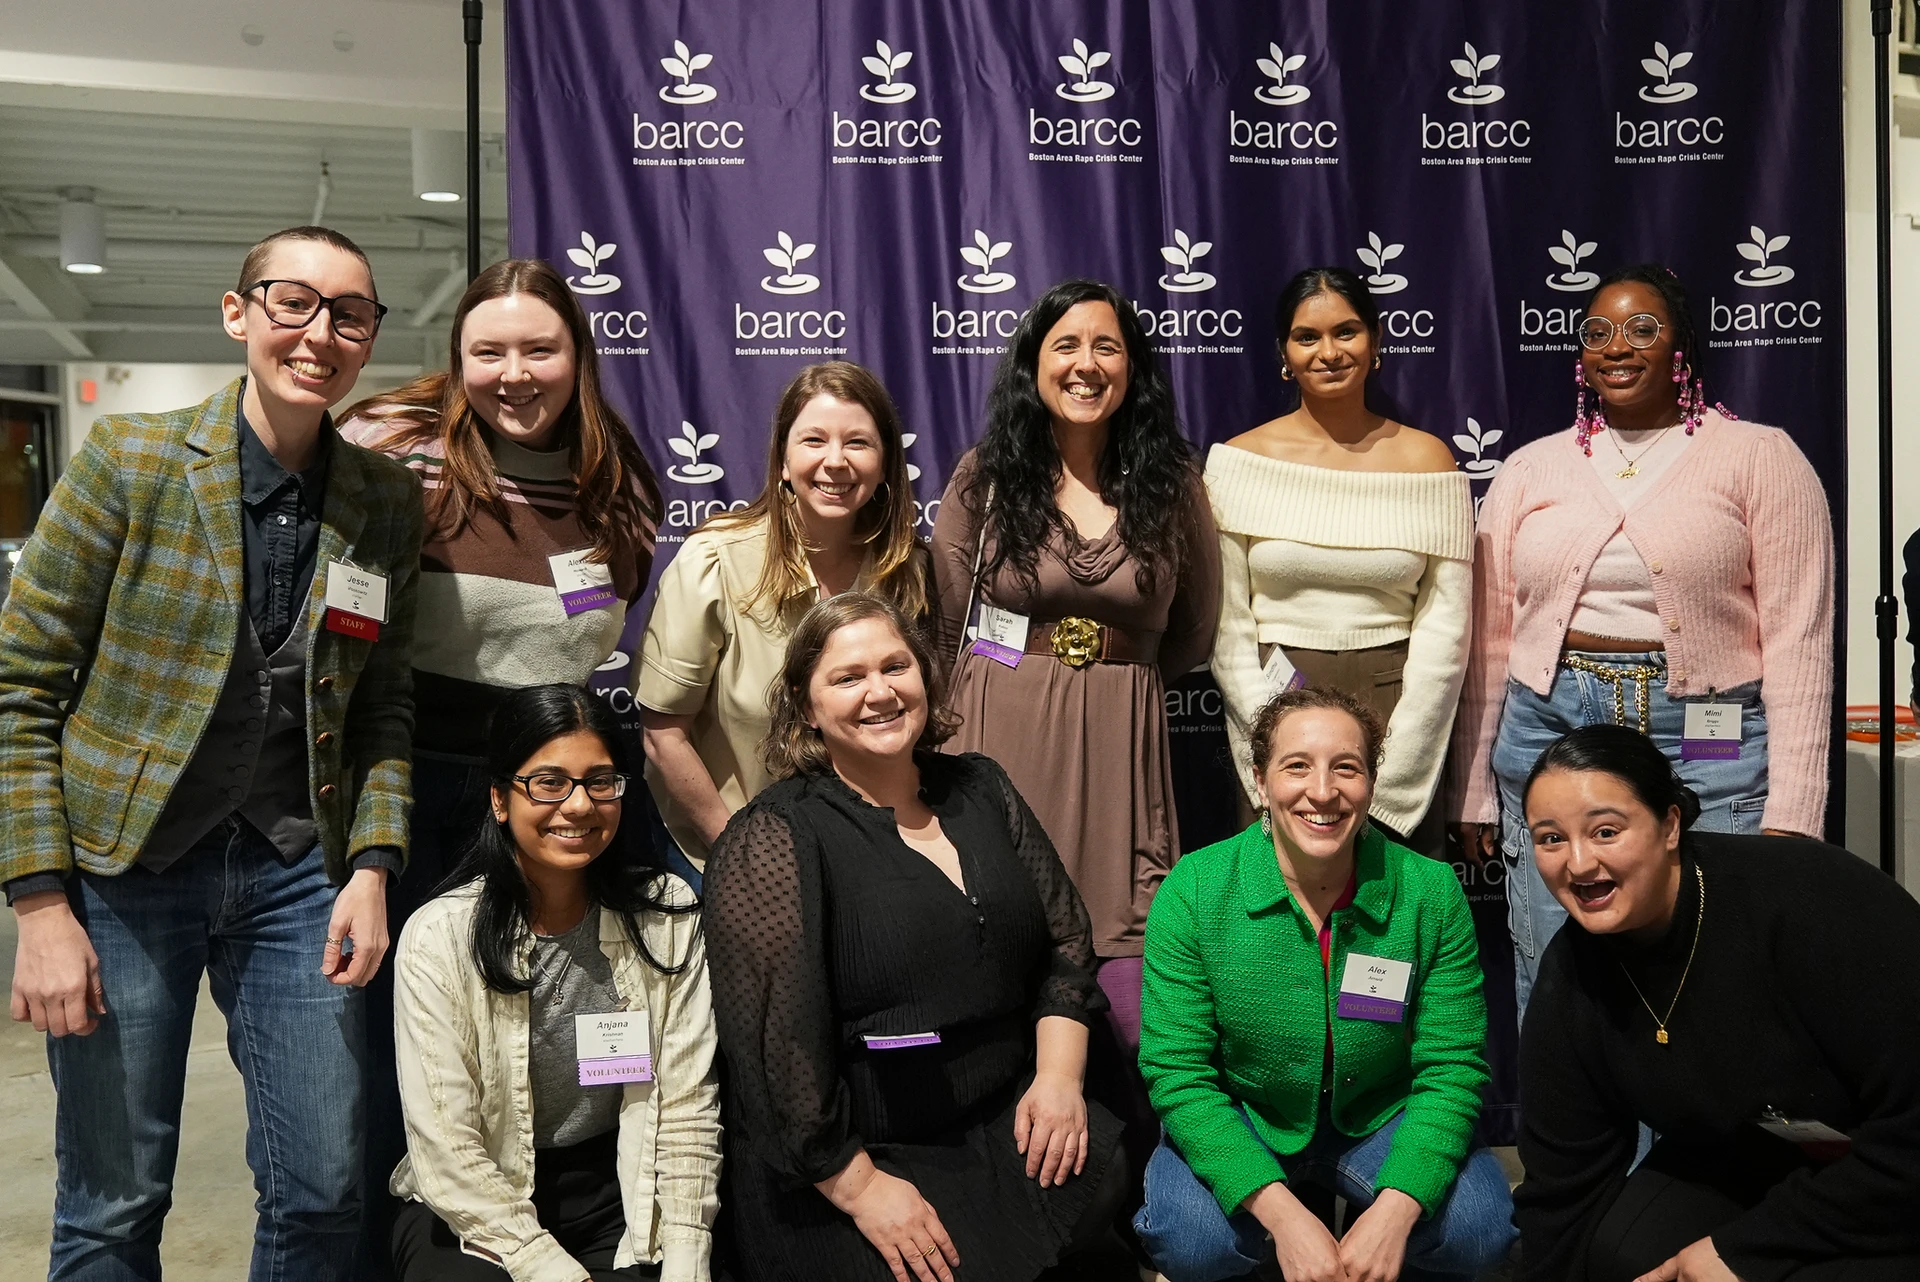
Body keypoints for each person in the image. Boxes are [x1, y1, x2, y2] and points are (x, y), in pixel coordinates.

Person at [0, 225, 423, 1280]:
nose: (320, 332)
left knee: (326, 1188)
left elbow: (383, 709)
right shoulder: (129, 463)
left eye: (350, 314)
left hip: (294, 872)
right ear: (238, 313)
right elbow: (21, 687)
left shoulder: (383, 501)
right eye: (293, 301)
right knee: (114, 1195)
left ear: (370, 339)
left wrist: (372, 866)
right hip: (125, 868)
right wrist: (40, 906)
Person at [339, 259, 667, 1273]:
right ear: (457, 356)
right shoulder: (394, 450)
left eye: (540, 348)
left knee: (550, 1050)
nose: (513, 372)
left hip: (557, 802)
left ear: (579, 356)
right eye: (489, 350)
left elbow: (595, 633)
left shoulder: (617, 482)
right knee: (388, 1078)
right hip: (417, 789)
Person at [1448, 262, 1834, 1019]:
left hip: (1707, 740)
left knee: (1707, 970)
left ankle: (1687, 1144)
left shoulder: (1761, 457)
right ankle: (1572, 1140)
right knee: (1554, 962)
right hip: (1551, 729)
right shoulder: (1531, 469)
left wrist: (1797, 806)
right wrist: (1472, 789)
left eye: (1642, 329)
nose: (1617, 347)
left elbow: (1801, 638)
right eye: (1597, 332)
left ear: (1682, 345)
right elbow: (1490, 643)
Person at [703, 592, 1127, 1282]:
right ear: (808, 708)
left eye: (895, 666)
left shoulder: (981, 787)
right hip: (855, 1157)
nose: (880, 692)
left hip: (996, 1120)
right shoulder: (774, 837)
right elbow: (775, 1060)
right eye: (848, 677)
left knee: (1103, 1173)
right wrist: (859, 1187)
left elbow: (1067, 946)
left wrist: (1057, 1077)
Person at [1513, 724, 1920, 1282]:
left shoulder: (1812, 904)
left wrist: (1742, 1250)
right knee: (1622, 1254)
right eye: (1550, 838)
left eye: (1605, 831)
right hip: (1753, 1156)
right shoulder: (1573, 974)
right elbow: (1562, 1189)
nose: (1579, 864)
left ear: (1670, 824)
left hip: (1892, 1166)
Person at [1135, 686, 1515, 1282]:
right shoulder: (1196, 888)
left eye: (1347, 768)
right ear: (1260, 780)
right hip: (1247, 1113)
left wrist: (1397, 1208)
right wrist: (1284, 1217)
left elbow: (1452, 1067)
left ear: (1370, 781)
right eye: (1296, 767)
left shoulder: (1430, 893)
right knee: (1195, 1244)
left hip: (1380, 1113)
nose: (1322, 791)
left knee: (1479, 1230)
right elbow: (1178, 1072)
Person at [930, 278, 1221, 1055]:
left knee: (1128, 987)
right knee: (992, 941)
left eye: (1106, 346)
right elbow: (950, 617)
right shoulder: (987, 475)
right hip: (999, 733)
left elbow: (1194, 631)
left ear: (1132, 369)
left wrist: (1115, 674)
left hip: (1119, 753)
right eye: (1066, 345)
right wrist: (1019, 672)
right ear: (1035, 364)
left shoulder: (1173, 485)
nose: (1086, 364)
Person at [389, 684, 718, 1282]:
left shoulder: (668, 914)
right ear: (499, 798)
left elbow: (687, 1104)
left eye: (600, 781)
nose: (578, 805)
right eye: (547, 783)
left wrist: (688, 1256)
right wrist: (548, 1268)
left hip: (623, 1186)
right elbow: (445, 1147)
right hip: (478, 1200)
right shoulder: (438, 937)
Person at [1207, 267, 1471, 857]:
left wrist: (1397, 770)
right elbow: (1225, 625)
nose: (1328, 352)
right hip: (1274, 697)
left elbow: (1445, 626)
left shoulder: (1428, 460)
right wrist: (1272, 736)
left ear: (1375, 343)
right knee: (1278, 910)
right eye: (1307, 337)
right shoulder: (1238, 461)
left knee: (1392, 908)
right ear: (1284, 352)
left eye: (1346, 332)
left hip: (1397, 703)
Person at [639, 361, 926, 871]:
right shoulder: (716, 562)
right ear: (782, 461)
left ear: (885, 464)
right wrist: (743, 855)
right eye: (814, 441)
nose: (835, 461)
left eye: (858, 443)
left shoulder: (908, 571)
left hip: (872, 861)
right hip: (726, 854)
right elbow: (664, 736)